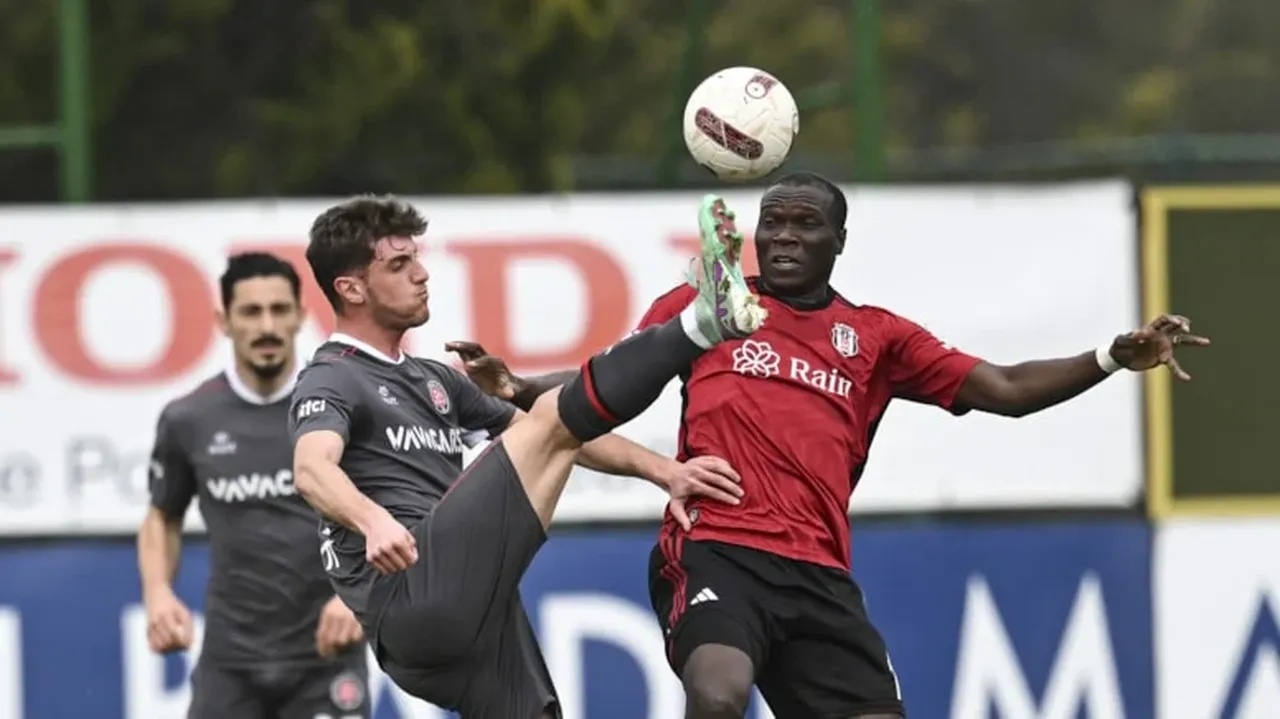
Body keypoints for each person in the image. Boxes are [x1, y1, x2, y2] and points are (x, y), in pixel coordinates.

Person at [447, 171, 1211, 719]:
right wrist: (514, 384)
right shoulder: (709, 306)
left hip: (818, 573)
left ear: (838, 240)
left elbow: (1005, 389)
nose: (783, 236)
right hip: (718, 546)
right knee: (717, 692)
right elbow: (605, 374)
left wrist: (1111, 357)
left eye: (804, 224)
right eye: (772, 221)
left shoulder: (876, 337)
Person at [287, 192, 762, 719]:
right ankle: (702, 321)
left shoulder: (434, 378)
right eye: (399, 265)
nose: (422, 274)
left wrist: (665, 472)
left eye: (417, 258)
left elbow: (557, 436)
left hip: (463, 613)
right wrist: (373, 521)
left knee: (551, 420)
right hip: (410, 592)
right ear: (350, 288)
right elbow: (311, 468)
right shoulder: (333, 375)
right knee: (556, 413)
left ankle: (699, 320)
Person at [138, 252, 371, 719]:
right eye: (251, 311)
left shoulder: (344, 406)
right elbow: (163, 515)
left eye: (279, 310)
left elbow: (397, 511)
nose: (267, 325)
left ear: (301, 316)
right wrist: (158, 592)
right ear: (224, 321)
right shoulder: (189, 419)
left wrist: (361, 596)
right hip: (230, 663)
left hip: (326, 657)